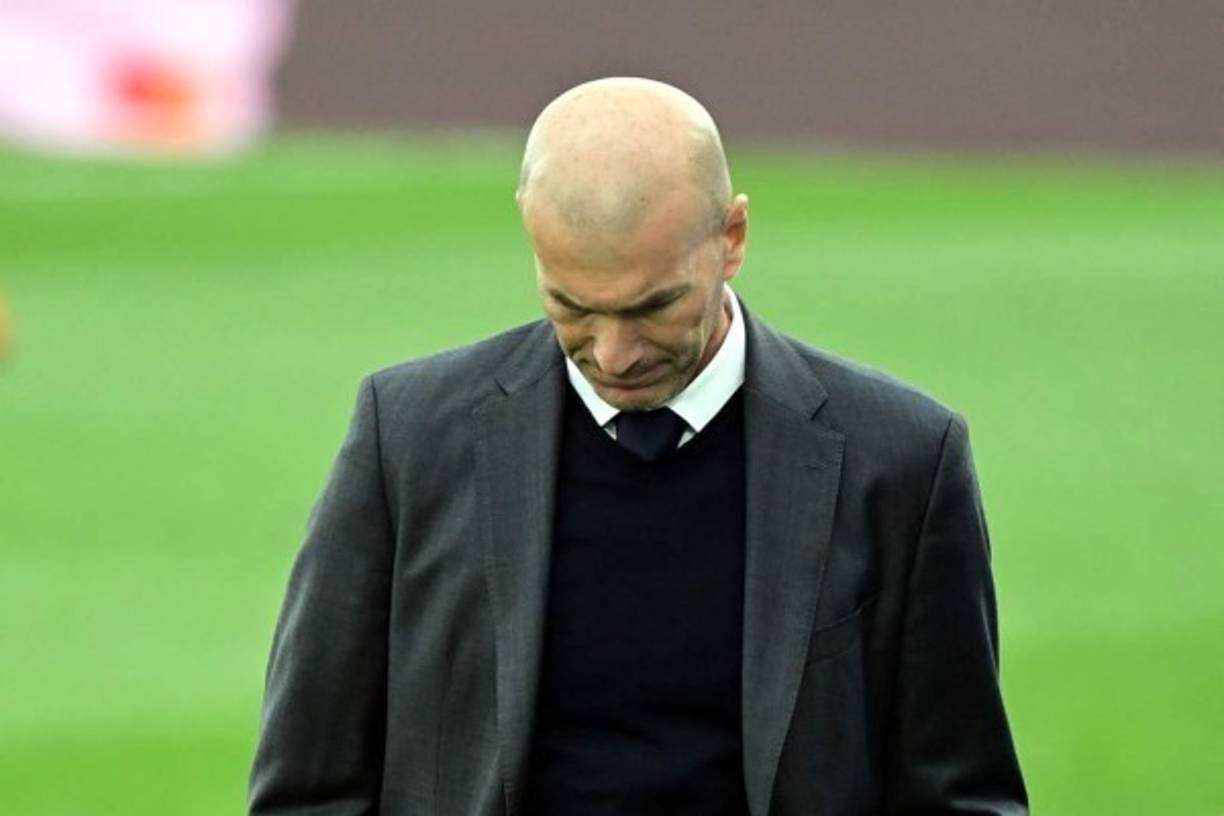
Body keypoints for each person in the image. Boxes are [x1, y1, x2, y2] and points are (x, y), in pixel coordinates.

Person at [249, 77, 1028, 815]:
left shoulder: (901, 462)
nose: (615, 354)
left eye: (654, 307)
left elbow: (960, 795)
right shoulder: (409, 437)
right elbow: (308, 788)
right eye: (572, 306)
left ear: (732, 238)